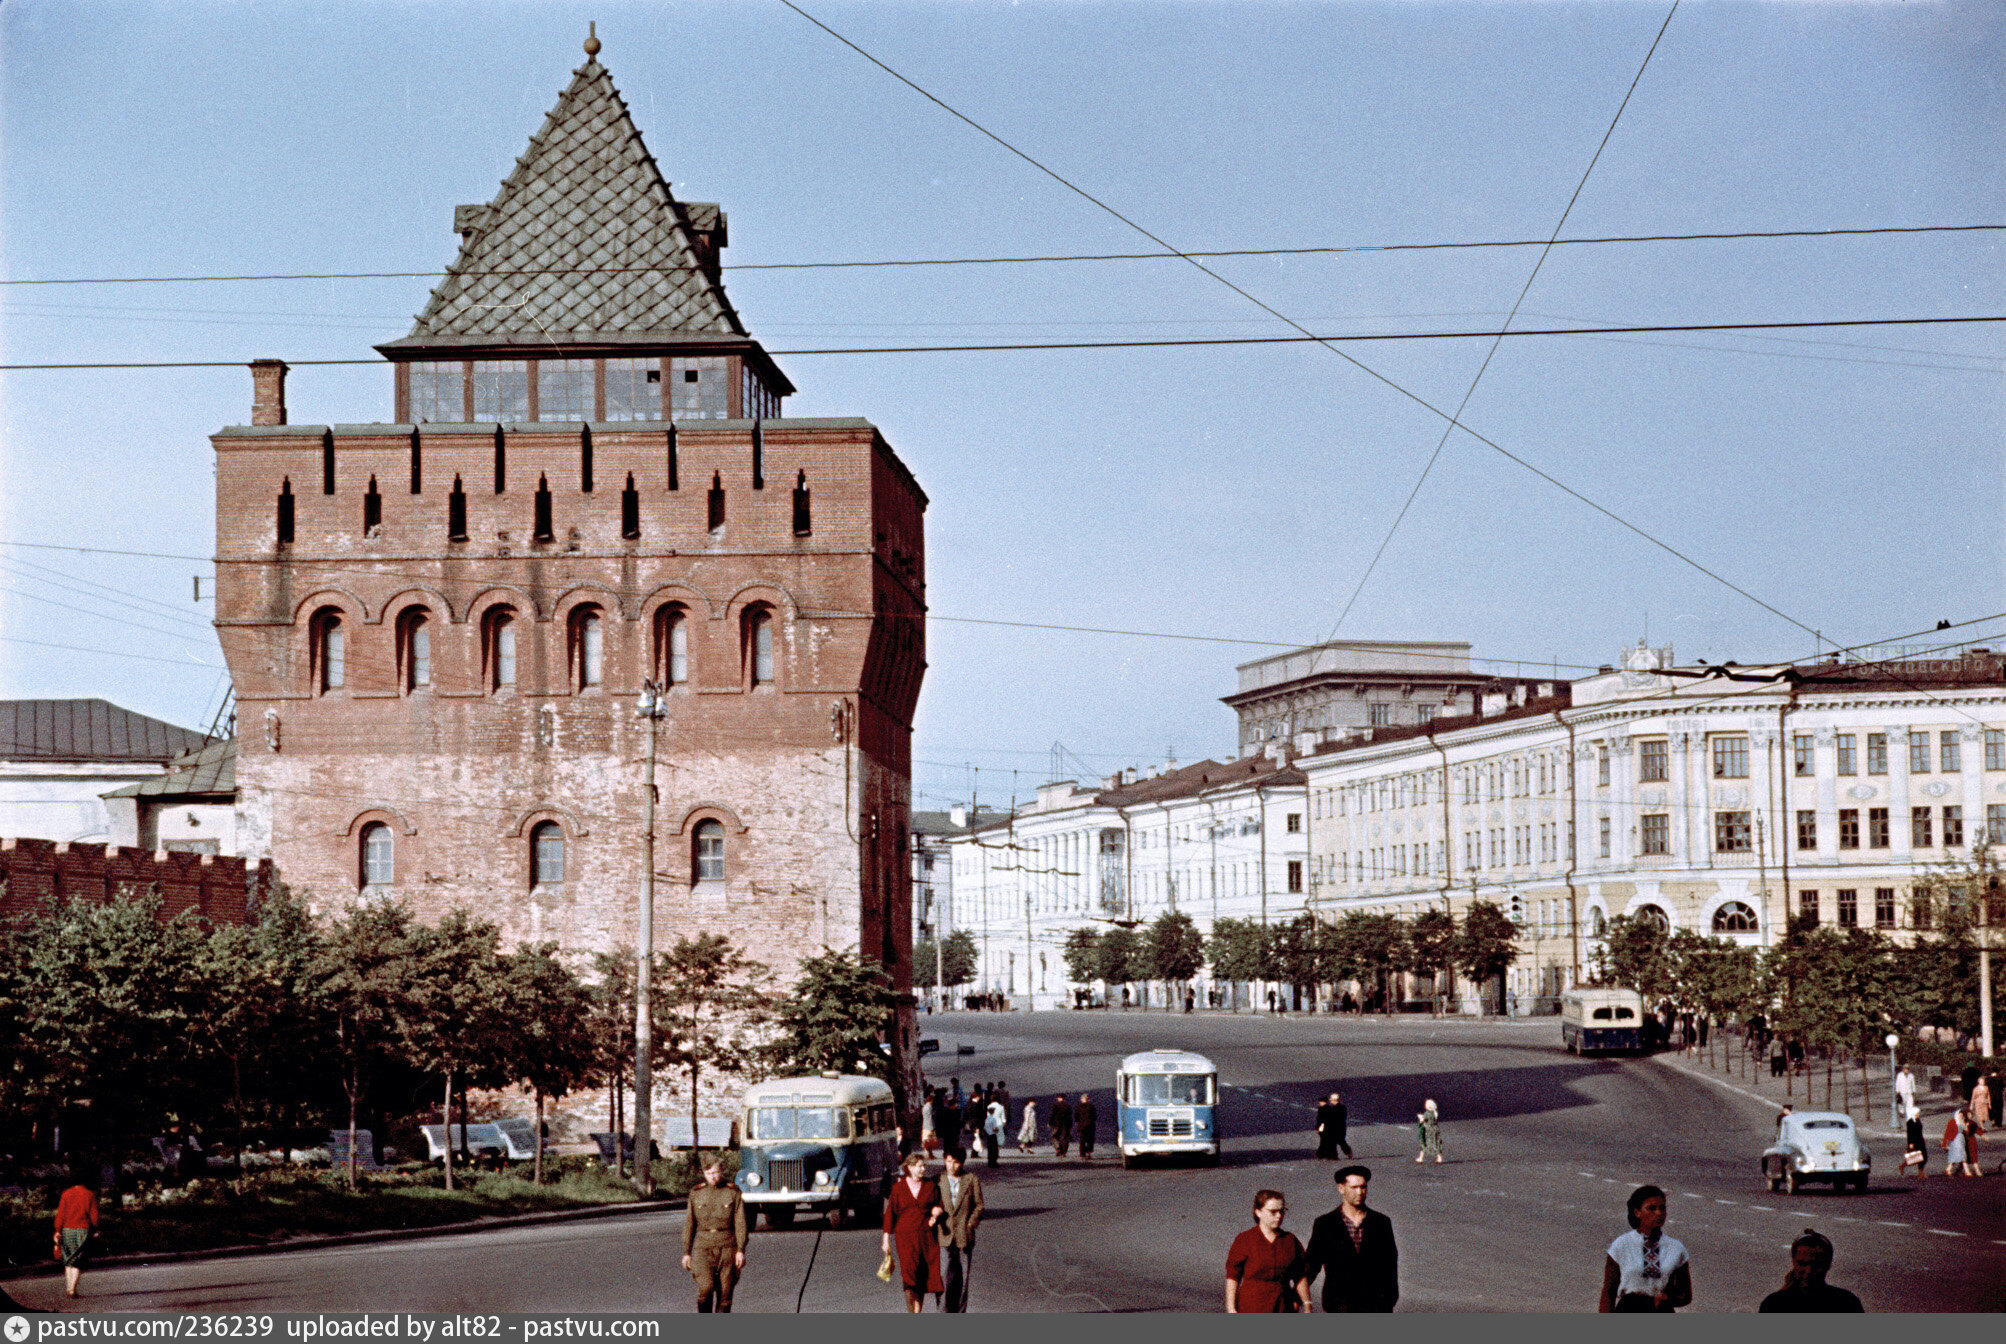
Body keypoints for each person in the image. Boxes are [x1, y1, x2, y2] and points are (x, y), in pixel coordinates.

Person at [1302, 1164, 1399, 1313]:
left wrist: (1389, 1299)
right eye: (1354, 1187)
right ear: (1341, 1188)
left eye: (1363, 1187)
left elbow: (1390, 1264)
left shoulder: (1381, 1222)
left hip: (1375, 1305)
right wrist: (1296, 1297)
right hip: (1339, 1305)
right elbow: (1312, 1264)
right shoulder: (1325, 1224)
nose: (1360, 1192)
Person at [1599, 1184, 1692, 1313]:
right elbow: (1608, 1292)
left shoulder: (1676, 1249)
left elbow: (1685, 1295)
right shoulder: (1621, 1245)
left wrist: (1667, 1298)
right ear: (1637, 1212)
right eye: (1652, 1208)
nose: (1659, 1213)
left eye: (1662, 1208)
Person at [681, 1157, 749, 1313]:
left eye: (715, 1172)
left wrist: (740, 1250)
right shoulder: (697, 1193)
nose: (712, 1176)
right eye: (708, 1173)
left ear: (722, 1171)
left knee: (725, 1293)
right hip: (703, 1247)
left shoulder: (732, 1192)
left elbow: (740, 1223)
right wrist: (686, 1252)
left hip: (727, 1247)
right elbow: (690, 1224)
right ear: (704, 1173)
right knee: (706, 1287)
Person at [1225, 1190, 1310, 1313]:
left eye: (1282, 1211)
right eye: (1273, 1212)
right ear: (1258, 1212)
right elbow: (1233, 1276)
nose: (1279, 1216)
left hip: (1283, 1306)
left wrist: (1307, 1304)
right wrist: (1231, 1308)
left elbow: (1300, 1275)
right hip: (1252, 1305)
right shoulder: (1245, 1239)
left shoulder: (1290, 1240)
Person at [881, 1151, 944, 1313]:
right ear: (909, 1167)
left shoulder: (930, 1186)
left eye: (924, 1166)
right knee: (909, 1276)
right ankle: (912, 1312)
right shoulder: (899, 1188)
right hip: (905, 1239)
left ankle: (918, 1310)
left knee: (922, 1276)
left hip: (926, 1238)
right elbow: (890, 1215)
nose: (923, 1169)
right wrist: (886, 1240)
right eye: (919, 1166)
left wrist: (936, 1213)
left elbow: (939, 1205)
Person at [1758, 1229, 1864, 1313]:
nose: (1809, 1271)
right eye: (1802, 1264)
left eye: (1816, 1265)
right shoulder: (1847, 1302)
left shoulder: (1847, 1303)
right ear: (1793, 1262)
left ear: (1828, 1265)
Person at [935, 1147, 984, 1312]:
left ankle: (960, 1312)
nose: (951, 1165)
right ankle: (943, 1310)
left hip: (964, 1235)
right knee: (944, 1275)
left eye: (955, 1162)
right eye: (948, 1161)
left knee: (963, 1278)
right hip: (945, 1234)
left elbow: (979, 1205)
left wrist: (971, 1223)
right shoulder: (938, 1180)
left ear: (961, 1163)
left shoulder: (971, 1179)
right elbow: (931, 1203)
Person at [51, 1169, 100, 1299]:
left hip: (67, 1230)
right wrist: (96, 1229)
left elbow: (61, 1214)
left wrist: (57, 1230)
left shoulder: (66, 1194)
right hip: (83, 1230)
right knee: (78, 1260)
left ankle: (69, 1288)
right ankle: (72, 1289)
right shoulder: (90, 1194)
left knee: (68, 1260)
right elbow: (94, 1215)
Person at [1315, 1092, 1352, 1160]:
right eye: (1331, 1100)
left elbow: (1341, 1118)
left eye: (1333, 1100)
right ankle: (1330, 1156)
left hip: (1339, 1128)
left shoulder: (1340, 1108)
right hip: (1331, 1128)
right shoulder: (1330, 1108)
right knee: (1331, 1141)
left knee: (1339, 1141)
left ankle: (1346, 1152)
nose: (1332, 1101)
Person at [1899, 1105, 1928, 1178]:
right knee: (1913, 1158)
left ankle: (1920, 1173)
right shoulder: (1910, 1122)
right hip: (1914, 1142)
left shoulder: (1918, 1120)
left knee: (1924, 1157)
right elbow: (1910, 1133)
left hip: (1920, 1141)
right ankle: (1902, 1166)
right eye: (1917, 1113)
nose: (1918, 1114)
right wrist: (1911, 1144)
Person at [1414, 1099, 1442, 1164]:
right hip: (1435, 1129)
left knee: (1424, 1143)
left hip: (1428, 1130)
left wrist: (1420, 1118)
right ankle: (1439, 1158)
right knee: (1436, 1143)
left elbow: (1423, 1121)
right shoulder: (1435, 1113)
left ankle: (1421, 1158)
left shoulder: (1427, 1113)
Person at [982, 1093, 1006, 1168]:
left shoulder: (989, 1106)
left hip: (990, 1127)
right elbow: (1003, 1119)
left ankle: (990, 1160)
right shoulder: (1001, 1107)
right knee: (998, 1143)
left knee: (990, 1144)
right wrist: (1003, 1125)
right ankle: (995, 1159)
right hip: (998, 1125)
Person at [1049, 1093, 1074, 1157]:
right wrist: (1070, 1125)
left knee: (1054, 1137)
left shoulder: (1055, 1105)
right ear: (1064, 1098)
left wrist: (1050, 1123)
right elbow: (1070, 1117)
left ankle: (1058, 1148)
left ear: (1058, 1098)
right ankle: (1064, 1152)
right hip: (1065, 1124)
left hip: (1056, 1124)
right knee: (1064, 1138)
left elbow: (1052, 1115)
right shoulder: (1068, 1105)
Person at [1076, 1093, 1098, 1161]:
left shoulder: (1078, 1107)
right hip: (1090, 1125)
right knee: (1090, 1140)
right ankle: (1088, 1153)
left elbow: (1076, 1117)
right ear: (1088, 1099)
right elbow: (1095, 1116)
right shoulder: (1091, 1106)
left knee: (1082, 1141)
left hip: (1081, 1126)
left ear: (1081, 1099)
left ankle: (1082, 1154)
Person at [921, 1093, 939, 1158]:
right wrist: (932, 1127)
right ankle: (928, 1155)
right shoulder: (930, 1107)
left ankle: (930, 1154)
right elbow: (931, 1118)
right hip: (930, 1126)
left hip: (925, 1126)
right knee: (929, 1142)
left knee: (927, 1141)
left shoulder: (924, 1107)